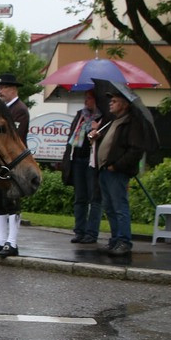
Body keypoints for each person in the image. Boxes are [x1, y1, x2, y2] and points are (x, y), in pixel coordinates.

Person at [90, 88, 148, 258]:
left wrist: (116, 166)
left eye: (114, 101)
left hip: (116, 171)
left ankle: (124, 241)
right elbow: (111, 142)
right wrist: (97, 136)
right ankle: (115, 240)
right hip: (104, 170)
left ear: (124, 105)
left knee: (119, 206)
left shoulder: (132, 123)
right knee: (109, 207)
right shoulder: (112, 121)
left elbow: (135, 150)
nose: (111, 103)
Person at [0, 73, 30, 258]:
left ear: (13, 89)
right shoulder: (1, 109)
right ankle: (1, 239)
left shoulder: (19, 110)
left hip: (13, 162)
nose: (0, 91)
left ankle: (12, 241)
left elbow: (16, 137)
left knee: (12, 202)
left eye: (3, 88)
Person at [65, 90, 102, 244]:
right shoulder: (81, 115)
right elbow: (72, 136)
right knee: (80, 197)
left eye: (90, 98)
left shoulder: (102, 117)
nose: (86, 101)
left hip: (92, 160)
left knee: (94, 197)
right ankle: (79, 230)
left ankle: (91, 232)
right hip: (78, 159)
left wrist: (96, 129)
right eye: (85, 97)